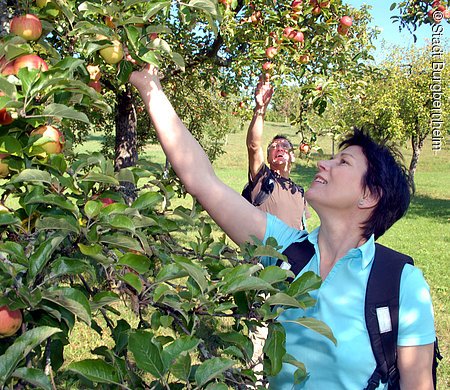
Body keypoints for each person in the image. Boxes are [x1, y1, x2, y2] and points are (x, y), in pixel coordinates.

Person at [129, 64, 436, 390]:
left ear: (369, 195)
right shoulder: (286, 248)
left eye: (343, 162)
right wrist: (150, 87)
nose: (322, 163)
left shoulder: (399, 282)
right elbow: (202, 181)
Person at [243, 74, 307, 230]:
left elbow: (301, 226)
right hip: (265, 252)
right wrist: (260, 109)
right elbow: (253, 145)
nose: (279, 148)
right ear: (269, 158)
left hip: (292, 254)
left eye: (285, 146)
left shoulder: (298, 191)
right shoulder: (263, 179)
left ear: (293, 156)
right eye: (274, 146)